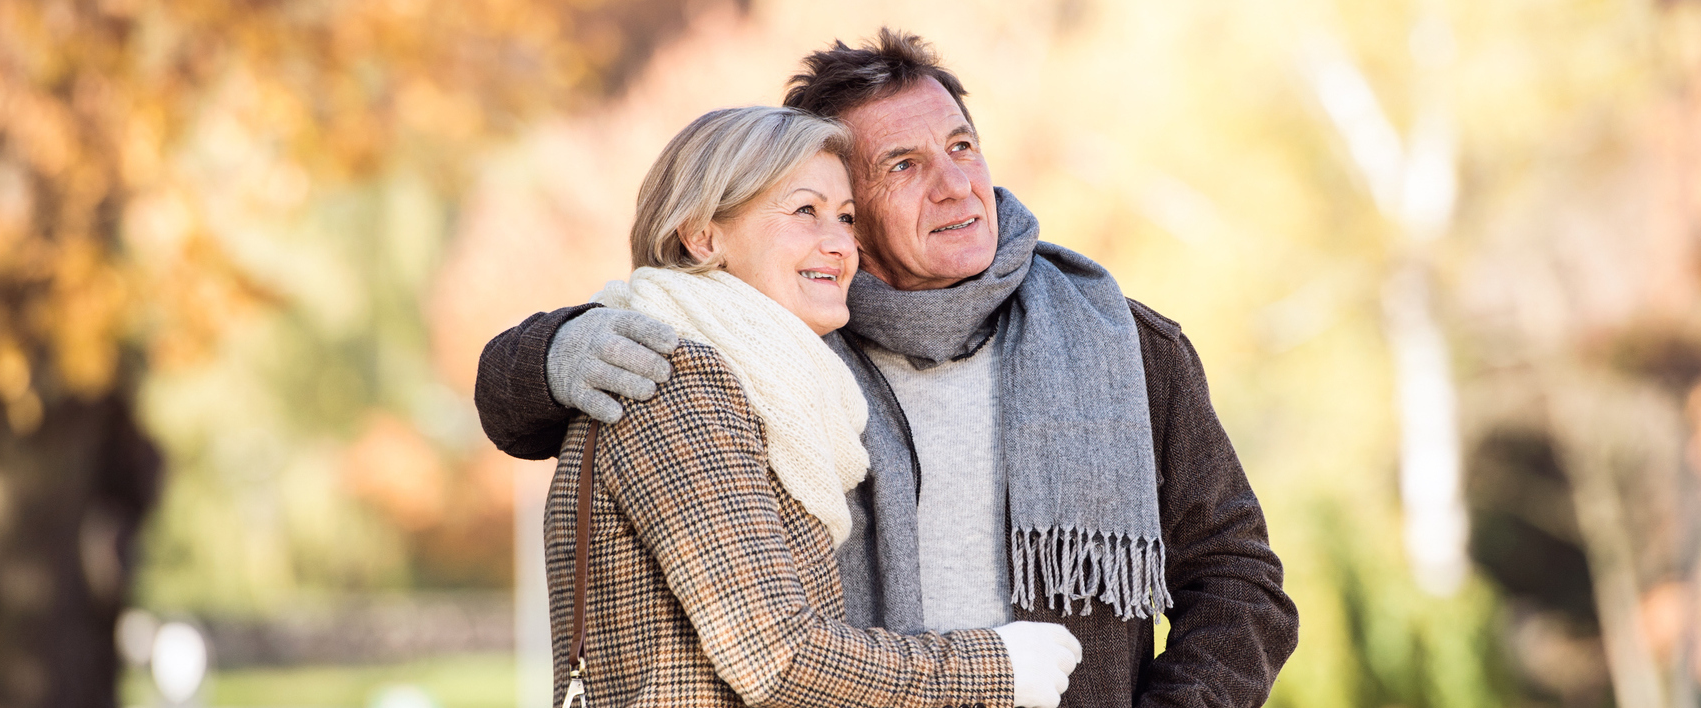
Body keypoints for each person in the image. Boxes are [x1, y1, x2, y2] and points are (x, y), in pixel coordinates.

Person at [478, 32, 1299, 708]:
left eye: (961, 147)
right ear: (849, 206)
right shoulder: (775, 342)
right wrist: (555, 348)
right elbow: (527, 403)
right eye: (901, 166)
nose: (955, 187)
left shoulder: (1123, 344)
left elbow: (1238, 580)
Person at [530, 105, 1081, 708]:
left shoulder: (762, 378)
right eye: (804, 211)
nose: (840, 244)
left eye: (846, 218)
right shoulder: (676, 380)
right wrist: (994, 667)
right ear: (702, 235)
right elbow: (776, 655)